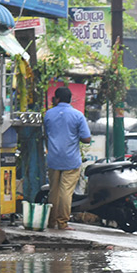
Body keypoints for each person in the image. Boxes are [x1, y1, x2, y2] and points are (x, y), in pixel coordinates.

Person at [43, 87, 92, 230]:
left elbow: (46, 134)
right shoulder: (77, 115)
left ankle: (51, 221)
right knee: (66, 192)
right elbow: (87, 138)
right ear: (69, 99)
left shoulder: (48, 115)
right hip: (70, 160)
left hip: (53, 158)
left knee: (54, 191)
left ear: (57, 99)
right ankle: (62, 223)